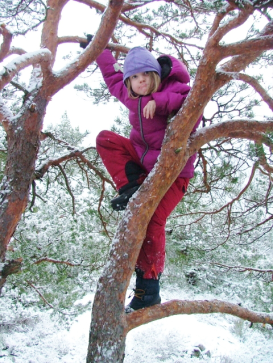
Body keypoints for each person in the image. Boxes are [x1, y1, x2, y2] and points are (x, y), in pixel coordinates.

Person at [81, 40, 201, 312]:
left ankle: (148, 290)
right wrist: (99, 48)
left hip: (175, 173)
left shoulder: (172, 89)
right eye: (134, 77)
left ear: (155, 74)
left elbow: (192, 105)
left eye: (145, 74)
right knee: (105, 139)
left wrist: (158, 102)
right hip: (144, 166)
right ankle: (132, 186)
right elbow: (113, 78)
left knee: (152, 221)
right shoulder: (130, 95)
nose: (140, 81)